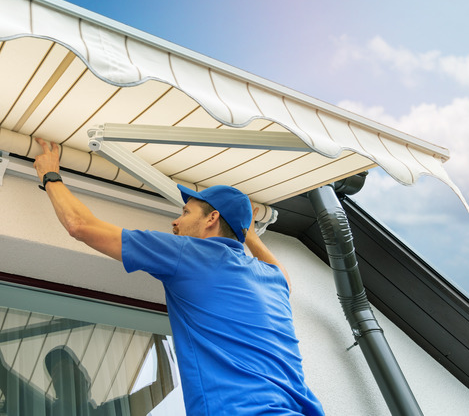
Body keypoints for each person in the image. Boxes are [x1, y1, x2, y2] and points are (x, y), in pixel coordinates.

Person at [32, 138, 324, 415]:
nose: (175, 220)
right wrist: (247, 234)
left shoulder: (191, 254)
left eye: (185, 212)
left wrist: (50, 175)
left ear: (212, 219)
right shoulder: (271, 280)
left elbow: (80, 225)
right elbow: (282, 274)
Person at [0, 304, 175, 415]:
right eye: (59, 374)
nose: (65, 376)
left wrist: (158, 324)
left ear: (85, 380)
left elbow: (163, 387)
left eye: (69, 371)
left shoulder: (107, 414)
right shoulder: (41, 409)